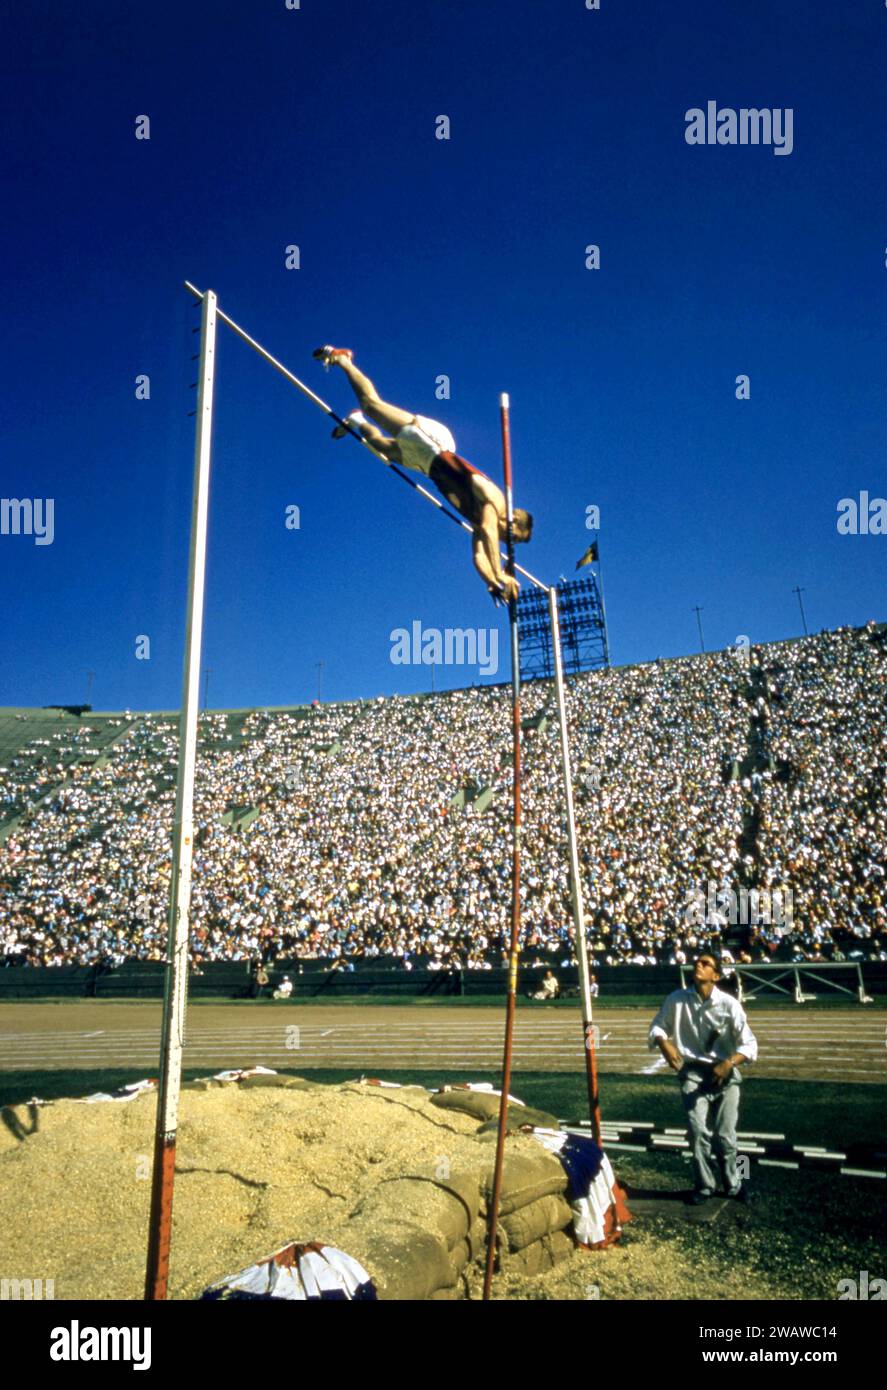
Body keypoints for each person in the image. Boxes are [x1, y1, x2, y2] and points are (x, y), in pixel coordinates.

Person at [313, 346, 533, 605]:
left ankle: (357, 421)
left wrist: (493, 582)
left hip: (426, 466)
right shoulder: (494, 504)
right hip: (434, 445)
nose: (507, 542)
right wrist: (501, 574)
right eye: (512, 538)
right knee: (373, 405)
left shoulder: (480, 523)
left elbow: (478, 557)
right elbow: (487, 530)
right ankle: (344, 359)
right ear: (512, 522)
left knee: (378, 447)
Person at [648, 951, 758, 1205]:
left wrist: (728, 1063)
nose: (698, 965)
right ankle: (704, 1185)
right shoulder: (676, 999)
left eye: (705, 964)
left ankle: (737, 1183)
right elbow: (657, 1026)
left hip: (725, 1076)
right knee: (698, 1133)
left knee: (726, 1136)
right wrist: (663, 1042)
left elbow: (750, 1045)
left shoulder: (729, 1004)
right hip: (693, 1075)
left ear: (715, 975)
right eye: (697, 961)